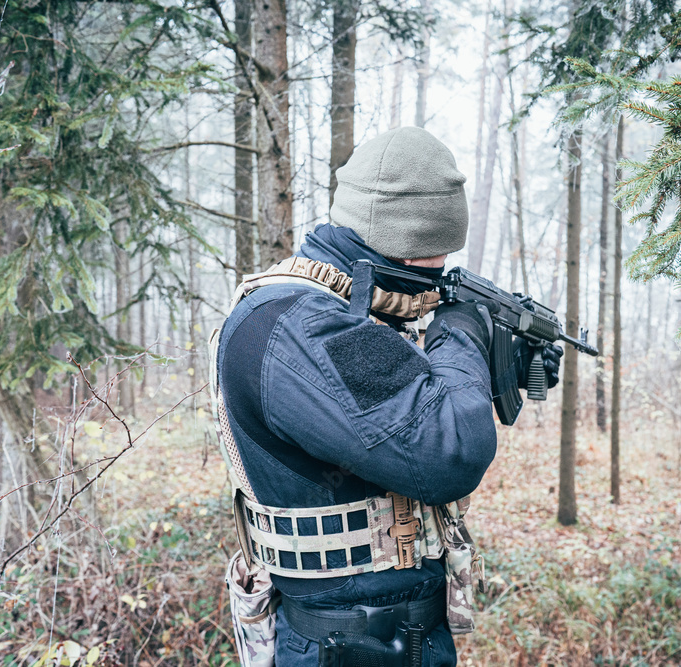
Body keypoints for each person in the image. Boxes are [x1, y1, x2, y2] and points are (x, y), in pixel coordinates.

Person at [212, 126, 560, 666]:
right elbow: (448, 450)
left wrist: (501, 367)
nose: (436, 276)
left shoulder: (349, 313)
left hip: (393, 637)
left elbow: (404, 405)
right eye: (432, 254)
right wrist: (461, 331)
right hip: (348, 644)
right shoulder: (299, 325)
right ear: (394, 240)